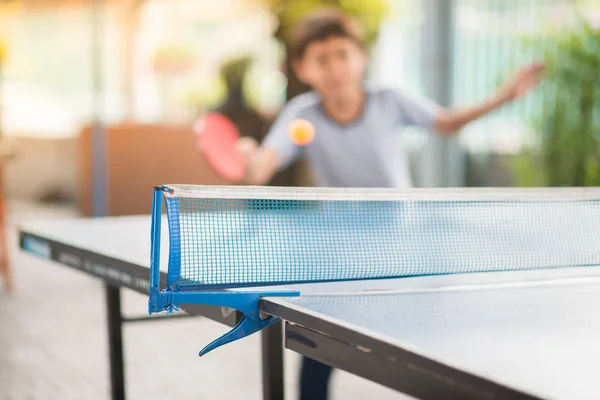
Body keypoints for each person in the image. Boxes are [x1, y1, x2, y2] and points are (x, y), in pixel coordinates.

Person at [236, 8, 544, 400]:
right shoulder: (303, 116)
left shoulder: (389, 100)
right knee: (315, 346)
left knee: (424, 351)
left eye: (343, 54)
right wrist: (247, 157)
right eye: (321, 59)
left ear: (362, 57)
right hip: (338, 257)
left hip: (401, 249)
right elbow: (262, 166)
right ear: (302, 68)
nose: (335, 67)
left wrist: (505, 95)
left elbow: (446, 123)